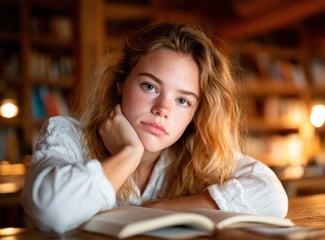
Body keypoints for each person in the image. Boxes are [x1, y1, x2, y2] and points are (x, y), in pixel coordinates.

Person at [21, 21, 288, 233]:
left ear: (196, 114)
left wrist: (159, 209)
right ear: (120, 84)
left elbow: (272, 197)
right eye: (149, 86)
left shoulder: (196, 154)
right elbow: (52, 211)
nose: (163, 109)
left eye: (182, 100)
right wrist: (129, 153)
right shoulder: (67, 133)